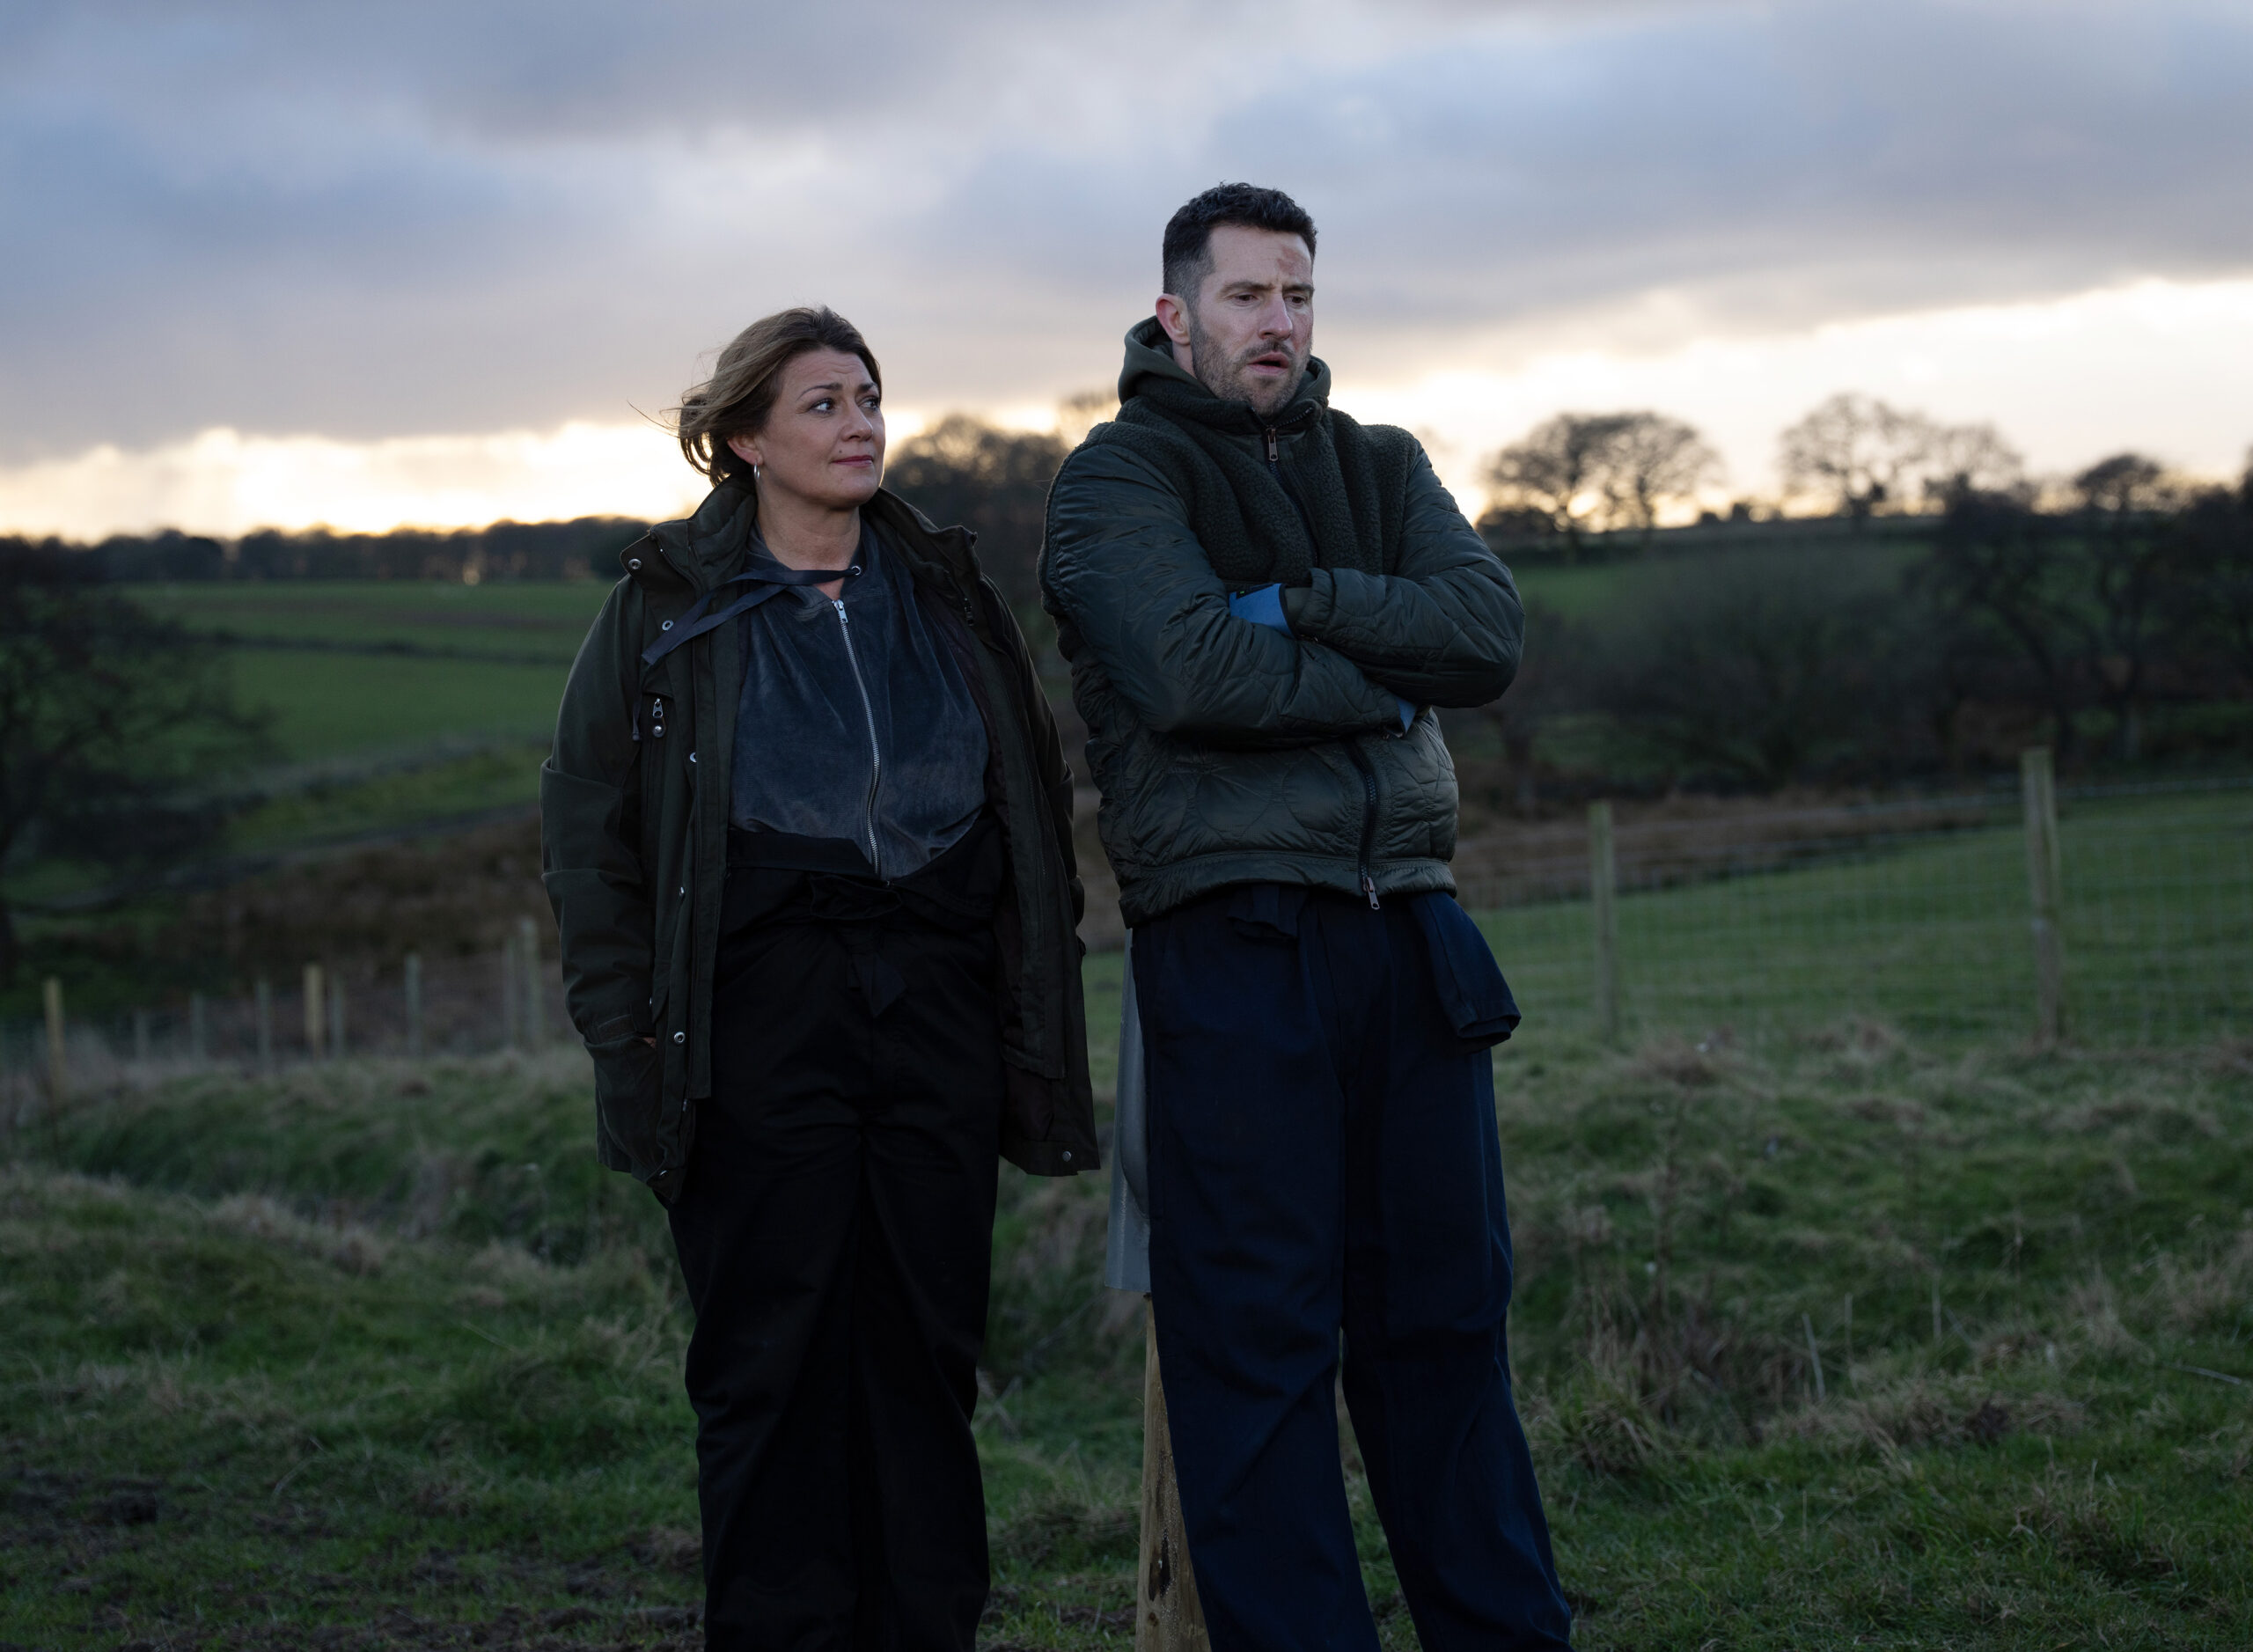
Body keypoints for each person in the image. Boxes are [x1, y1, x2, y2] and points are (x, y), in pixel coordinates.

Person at [1042, 185, 1574, 1649]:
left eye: (1298, 297)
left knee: (1448, 1333)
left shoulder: (1384, 463)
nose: (1276, 323)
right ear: (1175, 315)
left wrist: (1305, 599)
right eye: (1245, 297)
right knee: (1260, 1350)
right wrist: (1385, 665)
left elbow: (1485, 633)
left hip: (1413, 931)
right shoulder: (1113, 481)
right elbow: (1196, 675)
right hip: (1234, 943)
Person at [541, 305, 1097, 1651]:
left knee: (922, 1352)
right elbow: (588, 836)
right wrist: (632, 1046)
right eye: (822, 404)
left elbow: (1025, 812)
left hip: (936, 1011)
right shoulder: (664, 615)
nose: (859, 425)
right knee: (769, 1361)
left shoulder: (949, 599)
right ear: (744, 440)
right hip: (760, 1019)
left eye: (868, 397)